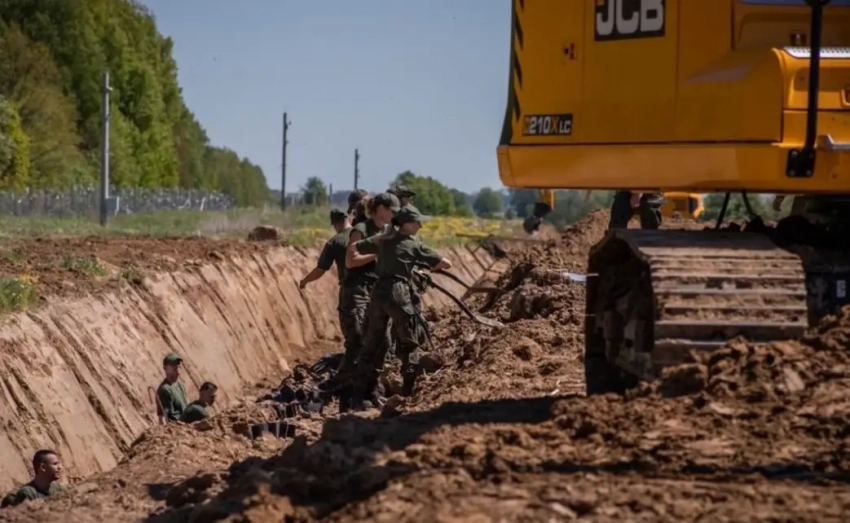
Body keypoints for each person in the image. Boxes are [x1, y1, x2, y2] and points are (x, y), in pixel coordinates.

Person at [349, 204, 452, 410]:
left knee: (371, 344)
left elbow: (357, 247)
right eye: (417, 222)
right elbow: (446, 263)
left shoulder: (384, 239)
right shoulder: (414, 244)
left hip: (378, 293)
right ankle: (407, 393)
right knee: (409, 343)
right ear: (406, 224)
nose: (421, 226)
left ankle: (357, 396)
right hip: (398, 292)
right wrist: (428, 265)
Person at [330, 193, 400, 412]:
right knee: (360, 340)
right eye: (392, 211)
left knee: (384, 343)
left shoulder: (388, 232)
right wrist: (378, 255)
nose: (394, 215)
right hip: (358, 291)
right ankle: (352, 394)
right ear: (380, 209)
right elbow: (351, 261)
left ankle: (372, 389)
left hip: (377, 292)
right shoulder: (361, 230)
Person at [299, 209, 352, 350]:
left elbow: (321, 270)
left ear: (336, 224)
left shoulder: (335, 242)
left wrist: (304, 281)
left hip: (351, 291)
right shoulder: (365, 235)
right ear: (348, 219)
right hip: (373, 289)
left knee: (352, 332)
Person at [156, 352, 188, 422]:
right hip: (177, 429)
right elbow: (162, 417)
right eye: (173, 364)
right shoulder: (165, 389)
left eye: (178, 363)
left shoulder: (180, 385)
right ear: (165, 368)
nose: (177, 366)